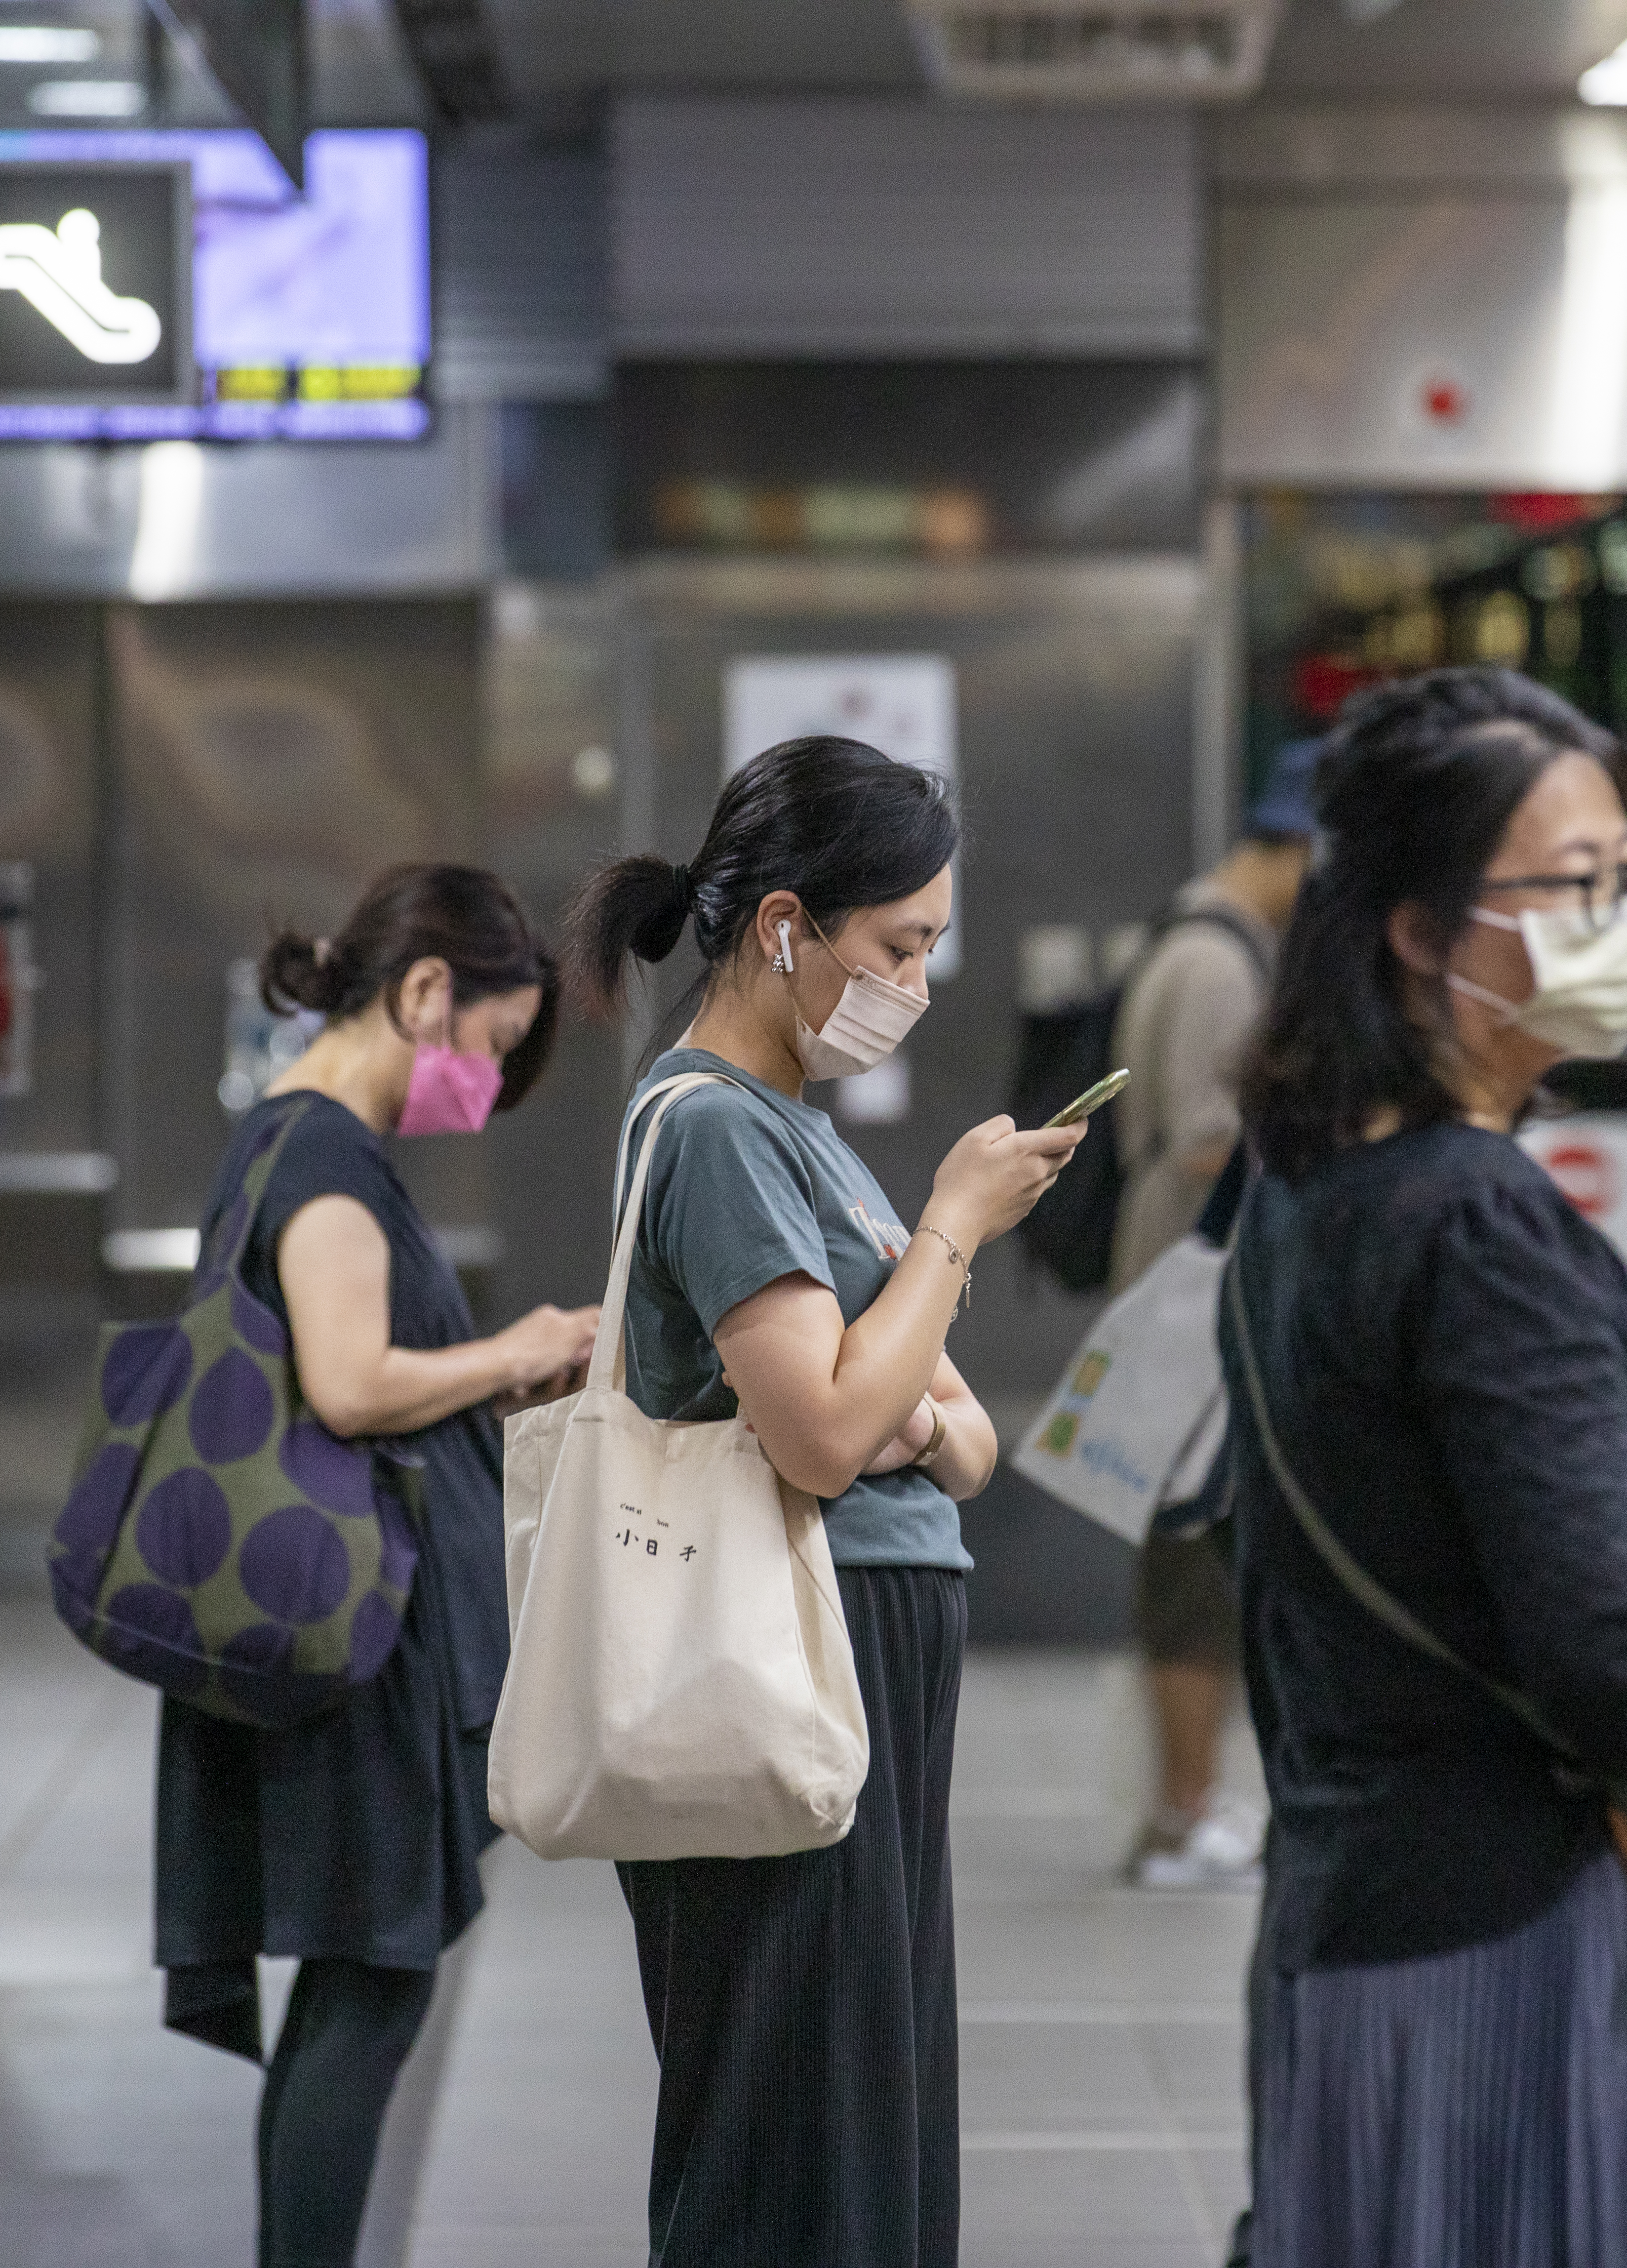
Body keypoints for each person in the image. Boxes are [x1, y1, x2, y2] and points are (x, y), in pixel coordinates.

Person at [1220, 669, 1627, 2266]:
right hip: (1520, 1946)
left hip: (1356, 1909)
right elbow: (1608, 1656)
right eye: (1573, 887)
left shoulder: (1302, 1195)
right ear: (1422, 935)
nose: (1620, 924)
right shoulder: (1484, 1226)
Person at [566, 735, 1081, 2268]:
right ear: (787, 926)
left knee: (871, 2087)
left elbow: (966, 1436)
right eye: (900, 946)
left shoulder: (803, 1133)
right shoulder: (719, 1128)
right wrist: (952, 1230)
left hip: (868, 1646)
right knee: (794, 2112)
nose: (915, 979)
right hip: (788, 1645)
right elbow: (828, 1433)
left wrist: (900, 1387)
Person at [154, 863, 595, 2268]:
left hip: (342, 1626)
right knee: (372, 1987)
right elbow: (348, 1383)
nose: (482, 1079)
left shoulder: (293, 1143)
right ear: (423, 994)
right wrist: (515, 1351)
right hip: (362, 1646)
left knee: (362, 1986)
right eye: (489, 1044)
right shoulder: (326, 1153)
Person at [1110, 736, 1315, 1892]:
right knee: (1192, 1551)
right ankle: (1184, 1814)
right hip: (1194, 1292)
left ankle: (1185, 1807)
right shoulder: (1220, 964)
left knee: (1195, 1547)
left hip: (1182, 1284)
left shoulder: (1204, 943)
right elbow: (1205, 1139)